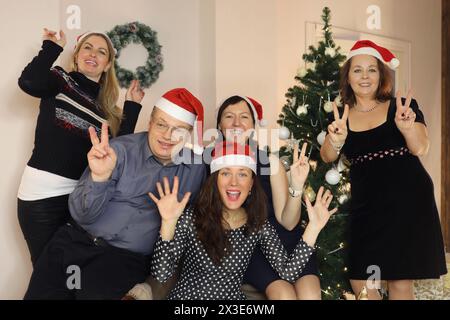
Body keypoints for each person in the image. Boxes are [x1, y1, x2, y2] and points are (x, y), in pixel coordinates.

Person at [23, 88, 207, 299]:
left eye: (179, 130)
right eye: (161, 124)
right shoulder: (117, 151)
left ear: (189, 134)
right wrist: (99, 178)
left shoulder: (196, 169)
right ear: (150, 123)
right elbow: (82, 215)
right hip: (74, 244)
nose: (168, 136)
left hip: (122, 261)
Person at [320, 40, 447, 300]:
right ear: (348, 75)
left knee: (400, 282)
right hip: (367, 206)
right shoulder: (340, 114)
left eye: (372, 70)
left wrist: (407, 127)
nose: (364, 77)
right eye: (357, 70)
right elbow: (326, 156)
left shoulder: (400, 106)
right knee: (362, 282)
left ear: (381, 75)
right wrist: (335, 139)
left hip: (407, 201)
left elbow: (421, 147)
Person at [17, 28, 144, 266]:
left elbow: (117, 153)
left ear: (107, 65)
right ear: (76, 55)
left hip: (81, 201)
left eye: (101, 52)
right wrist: (52, 47)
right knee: (48, 273)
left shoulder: (107, 111)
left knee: (72, 274)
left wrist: (132, 107)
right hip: (43, 197)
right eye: (87, 47)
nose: (93, 54)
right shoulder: (60, 80)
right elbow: (29, 82)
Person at [150, 141, 337, 300]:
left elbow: (288, 273)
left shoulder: (257, 224)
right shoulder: (192, 217)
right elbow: (162, 274)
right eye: (225, 173)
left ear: (251, 185)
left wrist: (313, 228)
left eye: (242, 174)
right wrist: (168, 224)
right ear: (214, 181)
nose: (234, 182)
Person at [211, 96, 321, 300]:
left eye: (244, 117)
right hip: (251, 247)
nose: (236, 123)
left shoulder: (270, 163)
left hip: (285, 241)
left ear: (253, 126)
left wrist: (296, 187)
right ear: (219, 125)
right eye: (229, 116)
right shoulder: (212, 164)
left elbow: (288, 223)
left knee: (310, 295)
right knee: (284, 295)